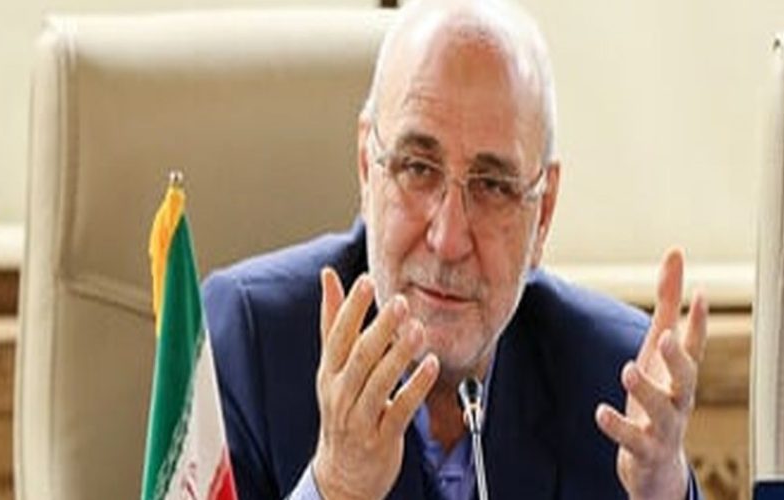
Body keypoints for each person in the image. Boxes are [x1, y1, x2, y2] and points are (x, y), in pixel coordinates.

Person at [202, 0, 709, 498]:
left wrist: (661, 491)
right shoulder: (247, 343)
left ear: (544, 212)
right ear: (366, 169)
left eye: (492, 186)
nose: (447, 241)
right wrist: (336, 488)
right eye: (418, 169)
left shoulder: (618, 380)